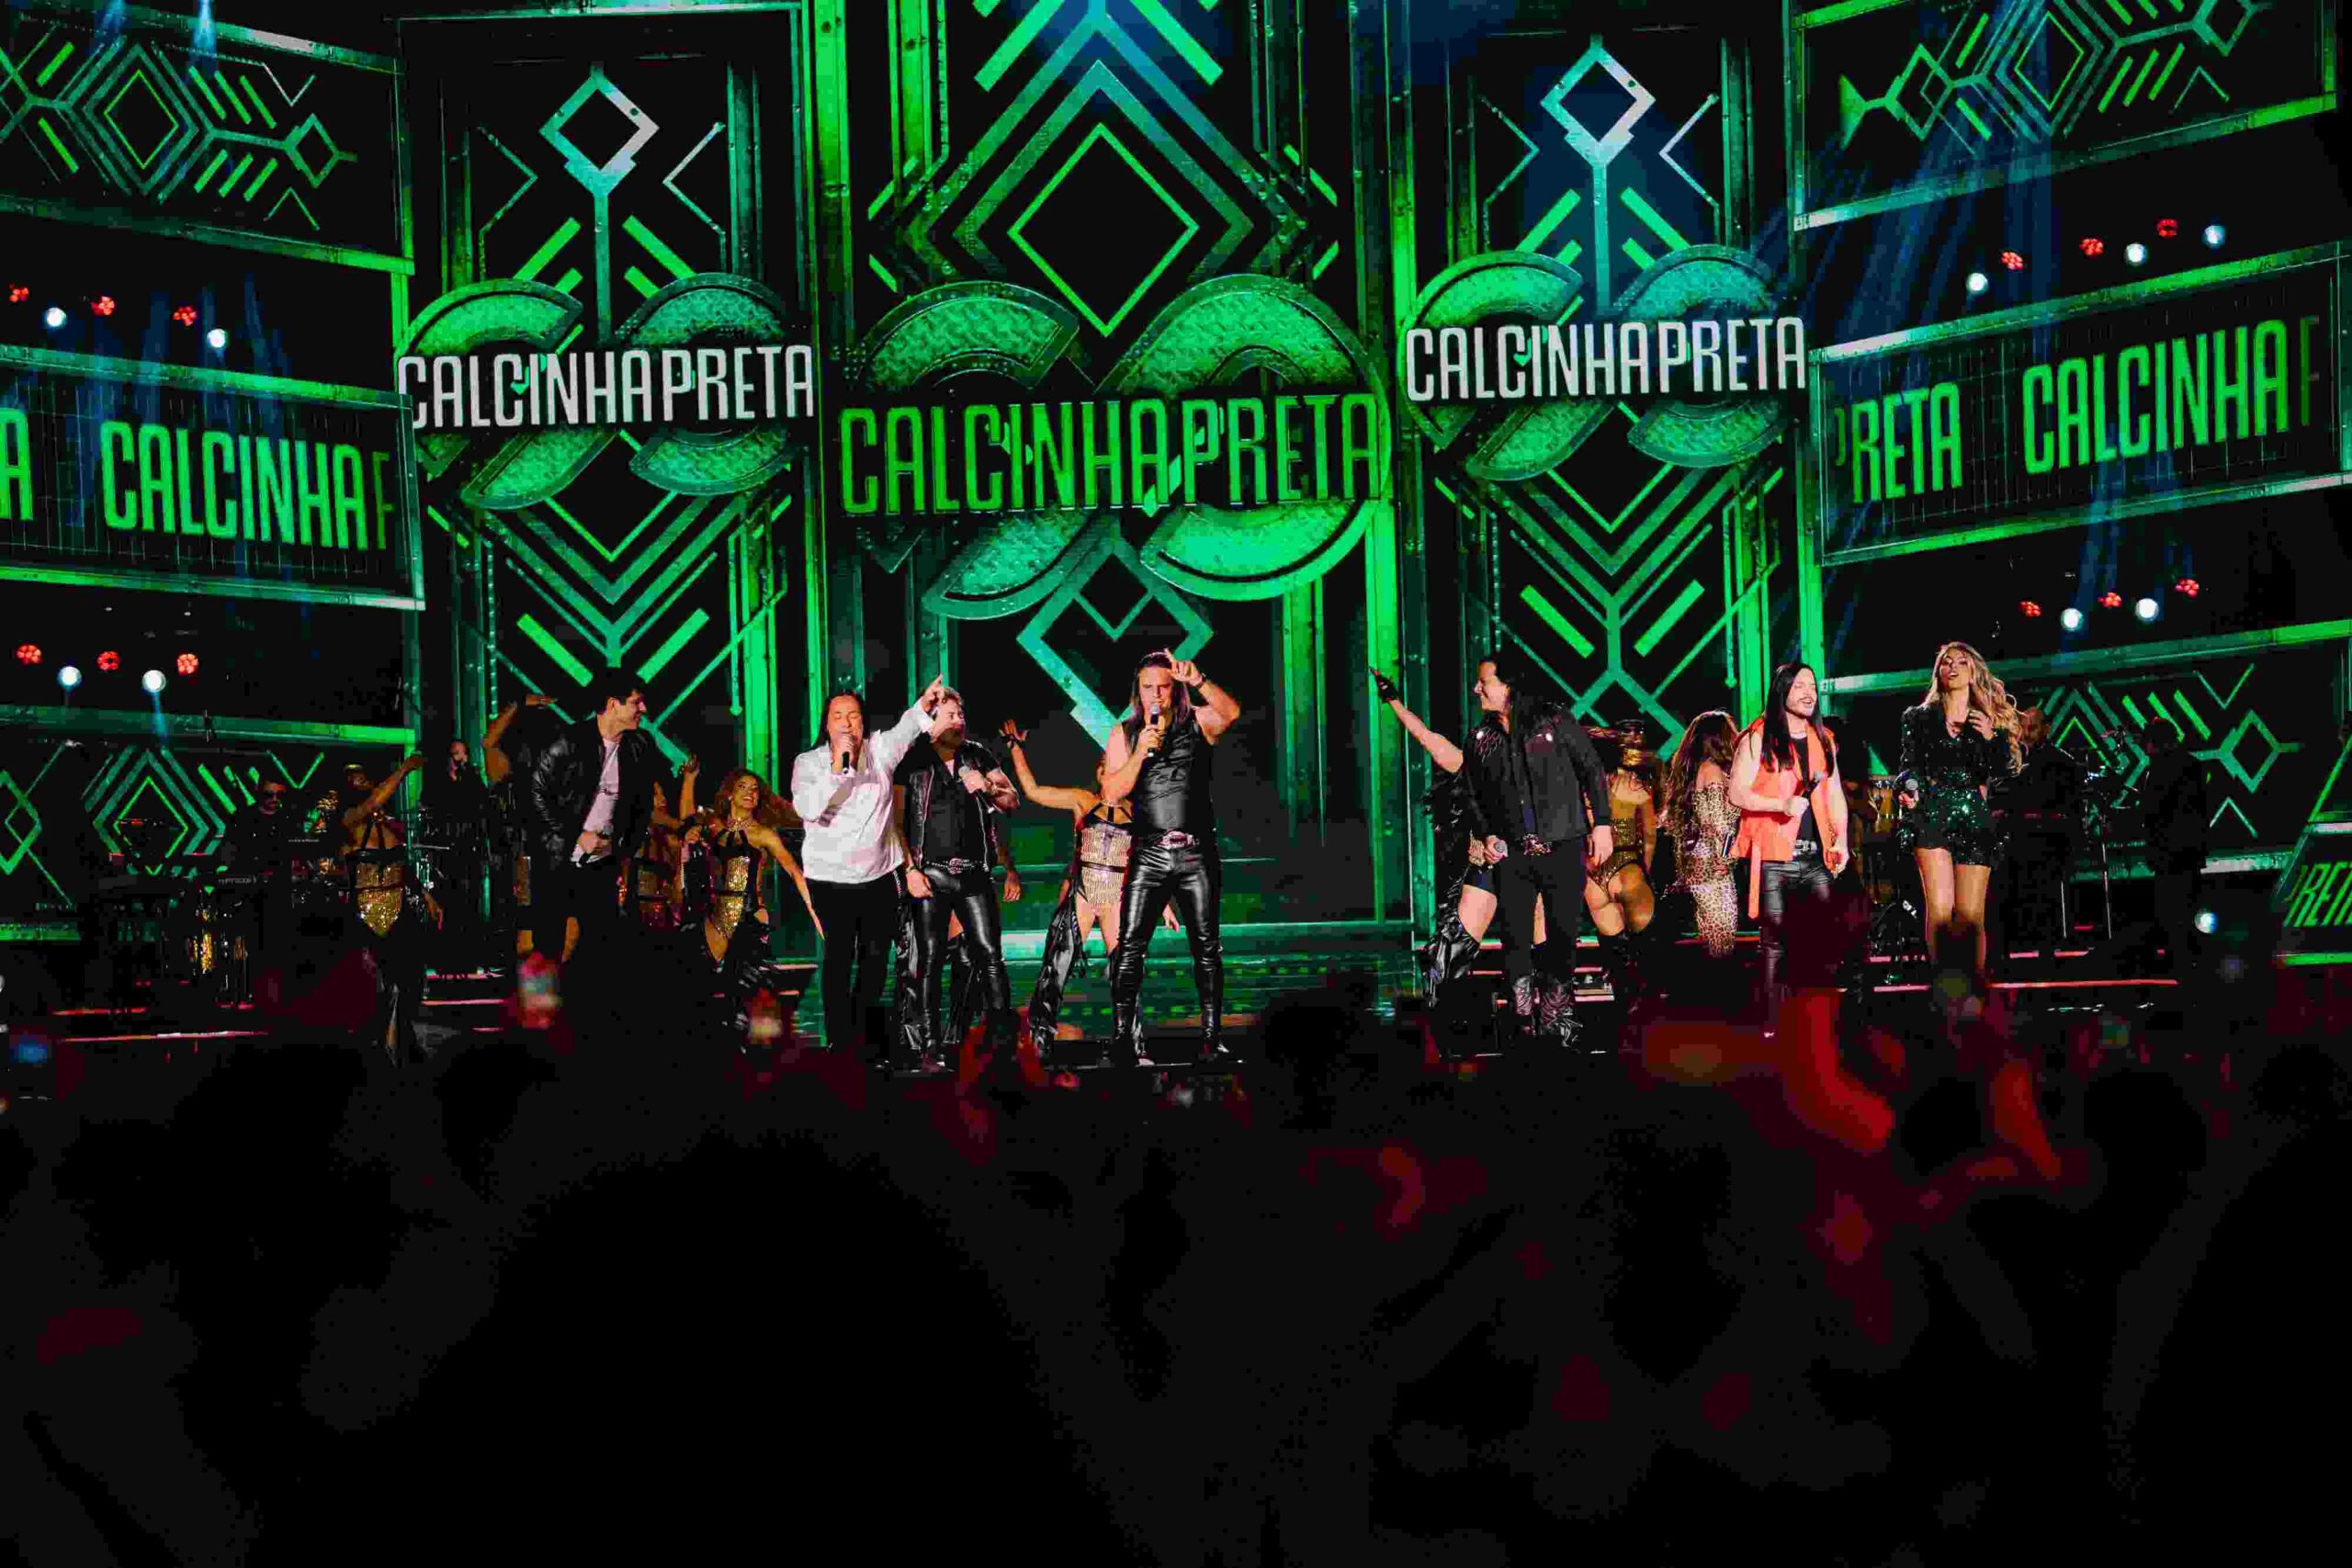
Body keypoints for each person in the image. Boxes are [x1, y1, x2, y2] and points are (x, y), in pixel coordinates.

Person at [1373, 670, 1546, 1047]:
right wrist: (1394, 701)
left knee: (1539, 958)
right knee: (1449, 953)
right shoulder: (1470, 765)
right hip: (1488, 869)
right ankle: (1437, 1033)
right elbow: (1427, 737)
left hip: (1530, 873)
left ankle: (1538, 1032)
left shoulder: (1544, 769)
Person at [1456, 650, 1614, 1052]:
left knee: (1563, 936)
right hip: (1512, 855)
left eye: (1484, 682)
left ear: (1508, 686)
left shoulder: (1555, 720)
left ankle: (1556, 1022)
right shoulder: (1480, 738)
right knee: (1515, 939)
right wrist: (1487, 835)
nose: (1477, 689)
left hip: (1563, 847)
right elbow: (1470, 795)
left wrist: (1602, 823)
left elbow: (1591, 769)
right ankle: (1521, 1023)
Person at [1000, 719, 1177, 1065]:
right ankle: (1039, 1044)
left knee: (1126, 972)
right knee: (1056, 967)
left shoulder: (1138, 812)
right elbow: (1033, 791)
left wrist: (1165, 904)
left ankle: (1132, 1045)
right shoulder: (1082, 801)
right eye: (1104, 766)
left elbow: (1149, 859)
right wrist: (1015, 749)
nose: (1109, 771)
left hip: (1116, 897)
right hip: (1083, 892)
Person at [790, 676, 949, 1058]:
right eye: (838, 716)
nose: (847, 723)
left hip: (878, 875)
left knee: (875, 960)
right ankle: (838, 1038)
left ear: (864, 722)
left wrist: (926, 703)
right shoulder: (808, 763)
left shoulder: (880, 750)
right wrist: (838, 767)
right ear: (826, 725)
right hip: (830, 879)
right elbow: (807, 809)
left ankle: (860, 1033)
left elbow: (906, 728)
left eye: (854, 715)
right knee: (839, 957)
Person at [1099, 651, 1243, 1067]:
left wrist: (1199, 680)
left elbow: (1231, 714)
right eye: (1148, 688)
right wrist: (1139, 754)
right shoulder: (1125, 732)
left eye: (1163, 687)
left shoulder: (1197, 721)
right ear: (1138, 690)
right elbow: (1111, 794)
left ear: (1174, 689)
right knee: (1129, 947)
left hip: (1196, 852)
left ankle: (1212, 1040)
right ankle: (1123, 1039)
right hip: (1149, 854)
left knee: (1207, 948)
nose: (1156, 695)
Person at [893, 689, 1020, 1074]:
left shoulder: (977, 755)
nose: (958, 720)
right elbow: (895, 822)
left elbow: (1012, 801)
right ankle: (930, 1045)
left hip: (975, 874)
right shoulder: (912, 759)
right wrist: (910, 870)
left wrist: (990, 787)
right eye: (950, 714)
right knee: (930, 960)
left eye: (961, 714)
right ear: (932, 722)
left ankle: (1002, 1043)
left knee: (991, 955)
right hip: (931, 873)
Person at [519, 672, 661, 993]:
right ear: (612, 704)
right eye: (636, 702)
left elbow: (641, 807)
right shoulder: (567, 741)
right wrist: (577, 835)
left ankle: (591, 1012)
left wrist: (621, 849)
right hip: (557, 857)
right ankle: (541, 1013)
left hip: (602, 862)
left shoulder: (639, 746)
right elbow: (534, 795)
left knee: (601, 943)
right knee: (549, 944)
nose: (643, 709)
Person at [1730, 663, 1851, 1024]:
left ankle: (1816, 1020)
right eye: (1799, 685)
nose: (1808, 692)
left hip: (1818, 857)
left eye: (1812, 685)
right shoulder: (1758, 737)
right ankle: (1772, 1023)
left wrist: (1842, 841)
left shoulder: (1824, 740)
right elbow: (1736, 792)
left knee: (1824, 938)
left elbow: (1835, 795)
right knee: (1774, 944)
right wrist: (1780, 805)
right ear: (1782, 690)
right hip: (1774, 857)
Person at [1894, 642, 2020, 983]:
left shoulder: (1987, 720)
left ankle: (1973, 988)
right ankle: (1943, 987)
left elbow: (2004, 772)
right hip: (1932, 813)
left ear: (1973, 671)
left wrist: (1991, 736)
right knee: (1939, 910)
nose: (1952, 667)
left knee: (1970, 916)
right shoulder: (1918, 718)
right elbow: (1908, 767)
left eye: (1961, 662)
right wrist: (1910, 789)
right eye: (1946, 662)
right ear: (1938, 672)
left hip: (1974, 817)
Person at [689, 767, 820, 1038]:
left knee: (742, 993)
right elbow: (686, 819)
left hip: (749, 914)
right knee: (703, 987)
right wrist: (689, 791)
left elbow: (795, 873)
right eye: (743, 787)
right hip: (716, 916)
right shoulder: (712, 826)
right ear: (730, 794)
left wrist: (815, 912)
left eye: (755, 789)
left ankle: (746, 1050)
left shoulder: (763, 834)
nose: (750, 792)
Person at [338, 754, 440, 1063]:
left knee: (407, 978)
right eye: (351, 780)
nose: (357, 782)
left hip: (398, 906)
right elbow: (371, 803)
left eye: (361, 777)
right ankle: (378, 1045)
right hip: (365, 909)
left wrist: (426, 895)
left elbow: (403, 867)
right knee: (378, 984)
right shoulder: (349, 818)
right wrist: (405, 769)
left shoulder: (387, 825)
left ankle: (402, 1040)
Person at [1583, 722, 1661, 1017]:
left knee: (1616, 955)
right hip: (1627, 866)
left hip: (1592, 875)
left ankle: (1623, 1011)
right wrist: (1645, 871)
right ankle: (1645, 1013)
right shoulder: (1633, 784)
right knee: (1644, 949)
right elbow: (1649, 837)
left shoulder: (1575, 788)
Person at [1993, 705, 2083, 954]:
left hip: (2048, 845)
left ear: (2047, 729)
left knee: (2043, 901)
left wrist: (2012, 812)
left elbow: (2065, 808)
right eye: (2022, 727)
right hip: (2016, 842)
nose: (2025, 733)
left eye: (2032, 728)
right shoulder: (2011, 760)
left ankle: (2045, 954)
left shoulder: (2062, 762)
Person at [484, 692, 562, 961]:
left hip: (550, 858)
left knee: (551, 923)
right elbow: (489, 742)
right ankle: (530, 980)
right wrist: (518, 704)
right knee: (526, 920)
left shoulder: (558, 778)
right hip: (524, 859)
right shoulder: (510, 775)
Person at [1661, 710, 1740, 962]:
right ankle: (1716, 985)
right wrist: (1727, 858)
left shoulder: (1703, 770)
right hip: (1713, 863)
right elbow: (1718, 824)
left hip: (1701, 860)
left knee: (1713, 935)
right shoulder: (1713, 771)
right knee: (1720, 935)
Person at [2137, 720, 2210, 975]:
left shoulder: (2159, 769)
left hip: (2168, 850)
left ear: (2153, 743)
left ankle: (2177, 958)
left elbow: (2152, 809)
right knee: (2189, 903)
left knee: (2169, 908)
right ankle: (2192, 956)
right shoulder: (2194, 765)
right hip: (2190, 849)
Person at [420, 735, 492, 968]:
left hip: (469, 851)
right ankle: (448, 955)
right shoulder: (437, 784)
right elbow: (427, 810)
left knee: (470, 901)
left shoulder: (471, 780)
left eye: (463, 754)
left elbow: (485, 805)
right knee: (449, 901)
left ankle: (470, 955)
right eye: (455, 754)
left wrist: (471, 776)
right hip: (446, 852)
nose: (459, 758)